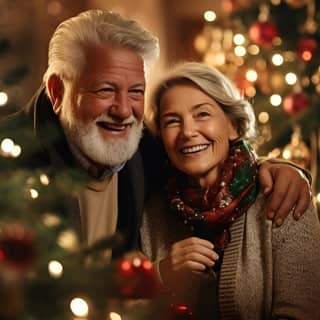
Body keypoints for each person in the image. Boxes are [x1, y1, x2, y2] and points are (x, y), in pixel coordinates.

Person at [0, 9, 312, 259]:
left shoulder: (145, 148)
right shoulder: (9, 160)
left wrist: (278, 168)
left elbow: (208, 158)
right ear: (57, 91)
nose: (124, 110)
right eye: (105, 90)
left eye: (136, 91)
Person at [141, 61, 320, 319]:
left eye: (202, 114)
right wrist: (162, 275)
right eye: (172, 121)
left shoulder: (283, 196)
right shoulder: (151, 215)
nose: (188, 132)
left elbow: (302, 313)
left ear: (233, 125)